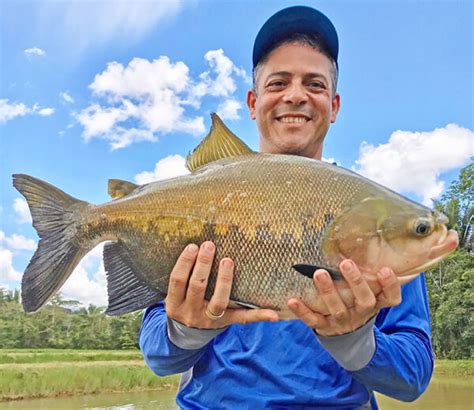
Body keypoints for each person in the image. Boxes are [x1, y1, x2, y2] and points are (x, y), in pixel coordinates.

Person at [139, 6, 433, 409]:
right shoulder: (198, 209)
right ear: (253, 102)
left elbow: (414, 377)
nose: (295, 95)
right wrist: (186, 330)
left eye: (314, 83)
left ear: (334, 105)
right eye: (279, 82)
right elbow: (157, 356)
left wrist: (356, 341)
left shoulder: (381, 227)